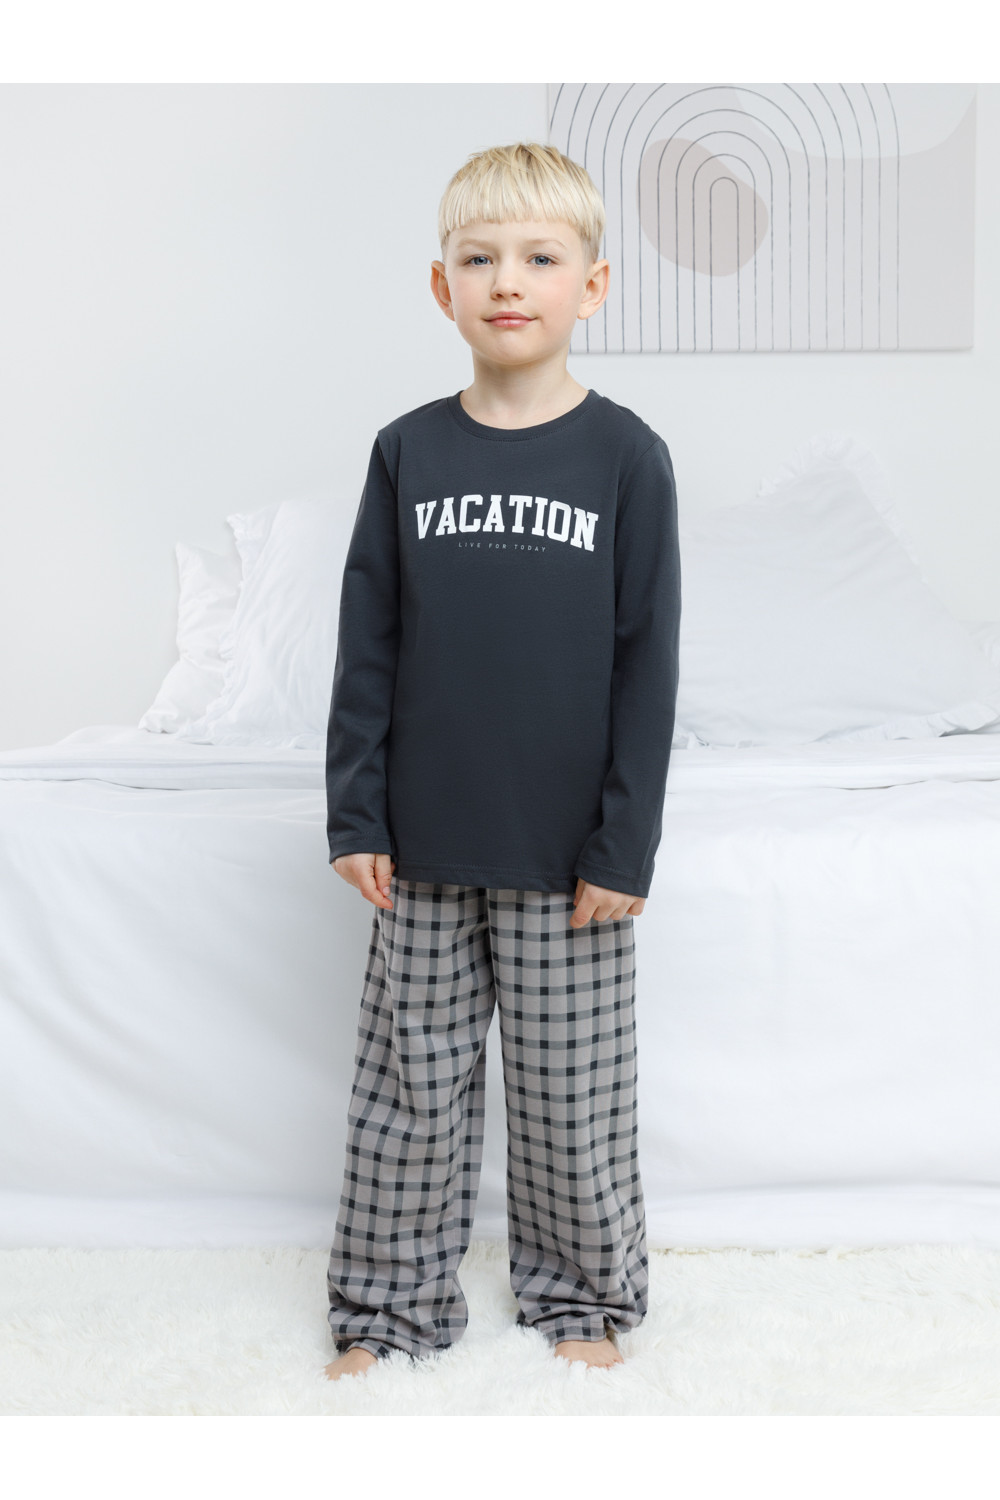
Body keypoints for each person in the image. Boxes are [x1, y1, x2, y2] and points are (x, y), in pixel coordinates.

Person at [323, 141, 681, 1382]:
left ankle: (580, 1295)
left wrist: (624, 843)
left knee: (570, 1095)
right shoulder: (407, 452)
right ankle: (385, 1311)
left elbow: (647, 663)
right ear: (443, 288)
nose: (508, 281)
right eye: (479, 259)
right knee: (407, 1098)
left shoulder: (626, 457)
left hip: (568, 856)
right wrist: (354, 814)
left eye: (539, 257)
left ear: (592, 286)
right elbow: (367, 644)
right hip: (419, 847)